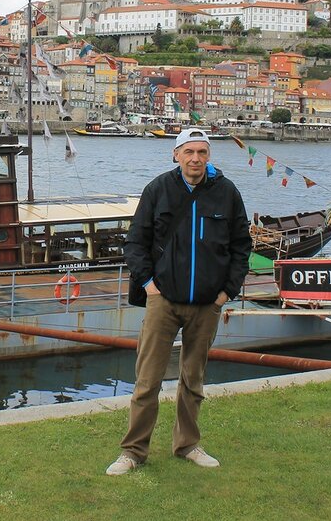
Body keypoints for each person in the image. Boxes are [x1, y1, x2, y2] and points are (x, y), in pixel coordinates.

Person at [106, 128, 252, 476]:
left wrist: (226, 293)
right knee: (147, 380)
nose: (196, 159)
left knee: (193, 380)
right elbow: (135, 243)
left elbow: (241, 246)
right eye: (189, 152)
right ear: (176, 155)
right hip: (164, 301)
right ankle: (133, 452)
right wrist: (149, 285)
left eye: (202, 152)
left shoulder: (227, 193)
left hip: (206, 304)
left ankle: (187, 444)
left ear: (208, 157)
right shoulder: (158, 190)